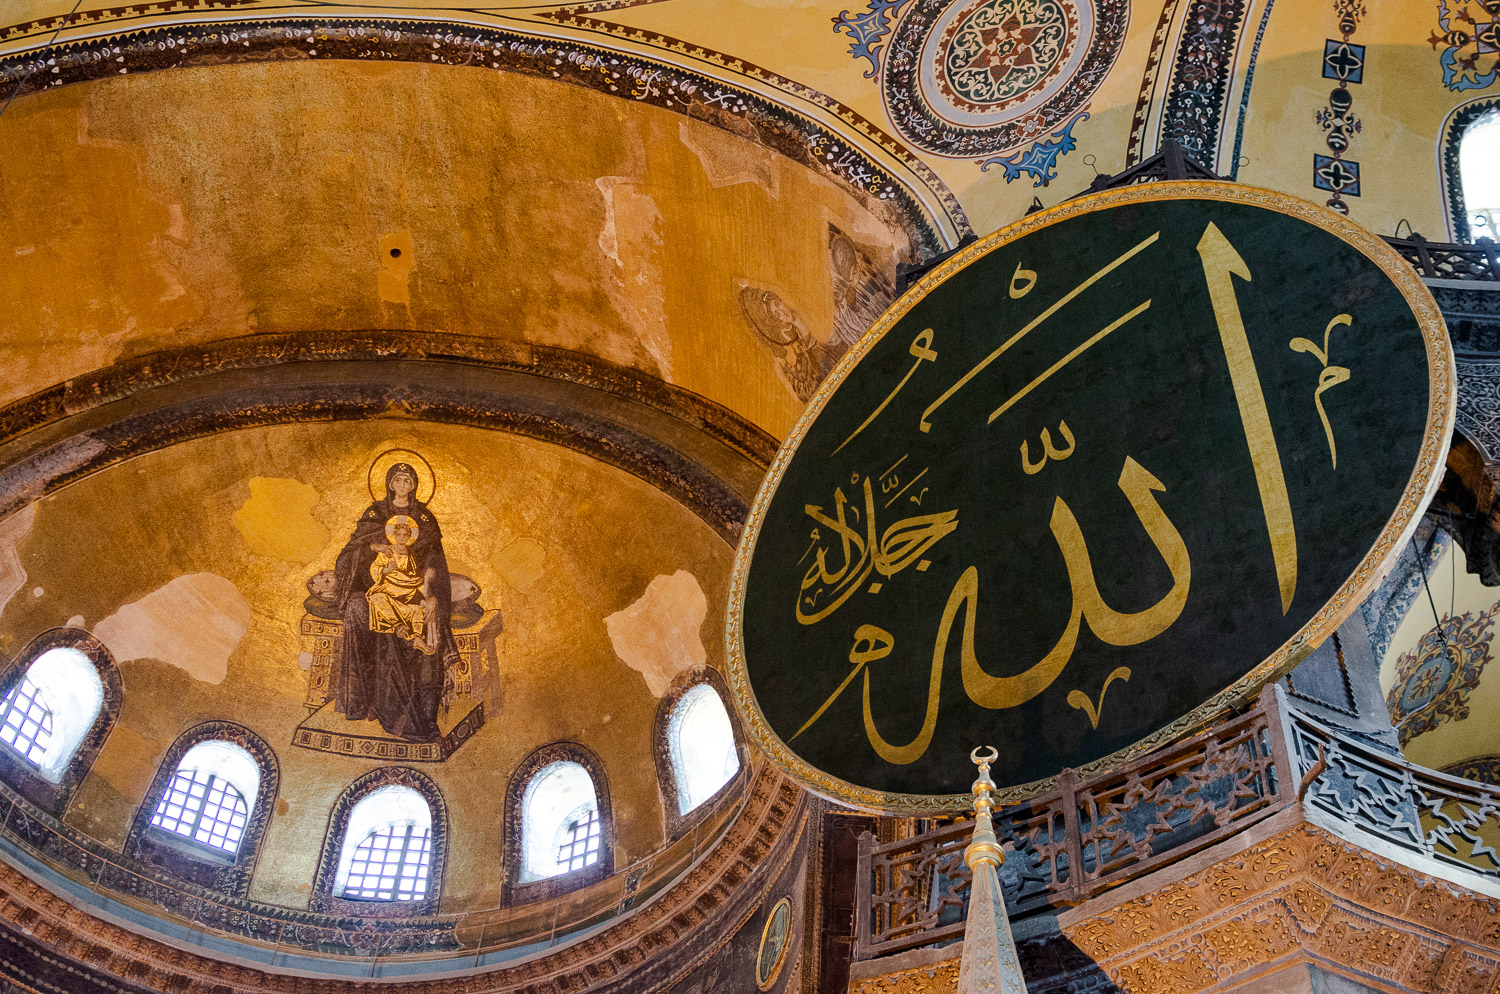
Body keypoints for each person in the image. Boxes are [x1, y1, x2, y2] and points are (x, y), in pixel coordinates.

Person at [331, 463, 459, 740]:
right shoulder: (374, 514)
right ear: (390, 483)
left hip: (414, 590)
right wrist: (374, 546)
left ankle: (424, 717)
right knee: (358, 609)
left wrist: (432, 595)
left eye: (408, 480)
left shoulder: (425, 519)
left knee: (427, 624)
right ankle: (363, 700)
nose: (403, 485)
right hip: (377, 589)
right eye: (398, 480)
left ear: (413, 485)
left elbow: (435, 563)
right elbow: (350, 555)